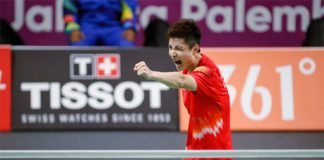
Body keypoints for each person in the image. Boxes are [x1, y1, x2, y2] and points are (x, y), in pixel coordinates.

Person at [134, 19, 232, 160]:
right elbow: (197, 119)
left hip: (216, 157)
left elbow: (180, 81)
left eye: (179, 49)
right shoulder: (187, 69)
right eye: (170, 48)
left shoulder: (208, 73)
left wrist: (151, 74)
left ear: (195, 49)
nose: (173, 54)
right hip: (194, 154)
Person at [63, 0, 137, 46]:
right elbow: (69, 8)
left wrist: (129, 28)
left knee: (126, 44)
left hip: (113, 27)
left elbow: (128, 9)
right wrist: (73, 29)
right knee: (77, 45)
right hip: (87, 26)